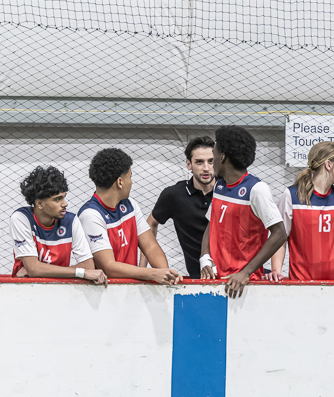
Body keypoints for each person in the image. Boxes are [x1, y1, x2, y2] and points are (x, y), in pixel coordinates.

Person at [199, 126, 286, 298]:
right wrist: (204, 257)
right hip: (216, 282)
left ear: (222, 157)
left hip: (245, 286)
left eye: (214, 153)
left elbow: (280, 234)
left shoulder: (257, 189)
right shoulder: (219, 186)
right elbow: (212, 223)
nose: (212, 160)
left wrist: (246, 272)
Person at [77, 148, 181, 284]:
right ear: (120, 182)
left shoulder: (130, 205)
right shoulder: (90, 215)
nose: (131, 182)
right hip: (104, 291)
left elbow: (150, 246)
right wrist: (153, 273)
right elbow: (109, 267)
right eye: (130, 177)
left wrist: (167, 274)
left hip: (129, 289)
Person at [270, 141, 334, 281]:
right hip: (303, 281)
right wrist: (276, 270)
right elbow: (280, 236)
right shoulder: (292, 195)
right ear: (328, 165)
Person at [10, 166, 106, 284]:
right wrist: (80, 272)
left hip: (60, 288)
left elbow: (88, 267)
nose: (65, 204)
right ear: (39, 203)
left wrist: (38, 269)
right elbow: (34, 269)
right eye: (57, 199)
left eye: (64, 197)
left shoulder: (71, 221)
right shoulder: (21, 218)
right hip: (24, 289)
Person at [147, 136, 215, 279]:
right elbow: (150, 224)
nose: (206, 168)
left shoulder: (229, 191)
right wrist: (143, 271)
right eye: (199, 162)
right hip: (198, 278)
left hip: (235, 275)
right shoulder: (174, 195)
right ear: (189, 164)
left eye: (211, 161)